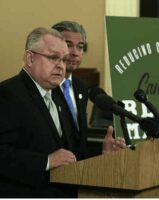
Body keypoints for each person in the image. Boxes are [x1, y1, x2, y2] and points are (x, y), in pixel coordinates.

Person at [0, 27, 126, 198]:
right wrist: (46, 162)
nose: (61, 66)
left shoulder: (58, 95)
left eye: (64, 59)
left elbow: (69, 153)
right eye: (53, 58)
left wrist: (102, 155)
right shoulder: (8, 94)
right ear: (30, 58)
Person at [51, 21, 124, 156]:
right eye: (68, 45)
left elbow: (79, 145)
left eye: (80, 47)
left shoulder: (81, 88)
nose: (75, 53)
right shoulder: (44, 88)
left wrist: (104, 152)